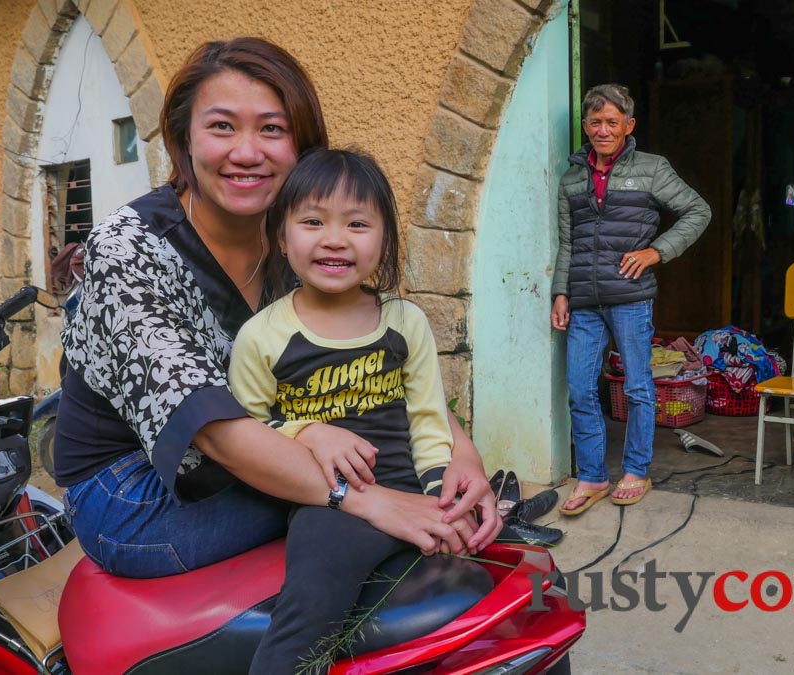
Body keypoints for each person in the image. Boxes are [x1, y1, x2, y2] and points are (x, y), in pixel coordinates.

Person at [51, 38, 500, 674]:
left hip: (259, 443)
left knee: (410, 485)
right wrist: (361, 495)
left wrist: (461, 456)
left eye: (272, 129)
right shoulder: (128, 252)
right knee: (378, 507)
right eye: (221, 127)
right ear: (183, 139)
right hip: (139, 493)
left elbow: (380, 369)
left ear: (303, 144)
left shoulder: (300, 231)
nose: (246, 152)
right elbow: (212, 428)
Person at [228, 148, 461, 667]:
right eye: (313, 221)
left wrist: (440, 492)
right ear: (283, 238)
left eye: (357, 224)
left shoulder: (405, 321)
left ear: (385, 240)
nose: (334, 238)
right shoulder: (263, 335)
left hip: (410, 487)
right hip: (331, 504)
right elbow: (251, 430)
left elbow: (427, 418)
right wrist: (308, 430)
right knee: (310, 604)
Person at [551, 84, 710, 515]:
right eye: (595, 122)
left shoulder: (652, 170)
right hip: (584, 300)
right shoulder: (571, 179)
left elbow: (699, 211)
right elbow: (568, 244)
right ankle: (592, 476)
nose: (603, 130)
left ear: (629, 126)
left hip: (630, 298)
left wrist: (656, 251)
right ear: (585, 126)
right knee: (581, 390)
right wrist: (561, 292)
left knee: (638, 388)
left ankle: (637, 471)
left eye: (612, 123)